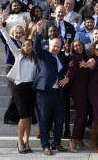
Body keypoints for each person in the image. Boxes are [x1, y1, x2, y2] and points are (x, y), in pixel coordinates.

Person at [0, 20, 37, 154]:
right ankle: (19, 141)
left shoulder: (34, 58)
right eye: (25, 45)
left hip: (31, 89)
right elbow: (9, 41)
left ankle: (27, 141)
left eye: (29, 45)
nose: (27, 47)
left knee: (29, 117)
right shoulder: (18, 54)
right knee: (23, 117)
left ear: (33, 47)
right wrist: (2, 27)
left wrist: (34, 29)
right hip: (20, 89)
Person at [33, 21, 69, 155]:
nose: (56, 49)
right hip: (45, 92)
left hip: (59, 94)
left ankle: (56, 144)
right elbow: (36, 46)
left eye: (58, 47)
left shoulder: (60, 57)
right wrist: (39, 31)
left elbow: (66, 69)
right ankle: (45, 145)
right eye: (54, 46)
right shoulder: (43, 54)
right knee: (44, 120)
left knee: (59, 120)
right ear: (49, 45)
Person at [80, 41, 98, 153]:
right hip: (96, 89)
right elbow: (91, 64)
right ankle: (93, 142)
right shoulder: (93, 59)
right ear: (93, 50)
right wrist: (87, 65)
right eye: (97, 49)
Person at [0, 10, 23, 125]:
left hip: (19, 70)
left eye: (20, 33)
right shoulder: (11, 40)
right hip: (11, 68)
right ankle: (8, 117)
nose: (18, 35)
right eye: (16, 33)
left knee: (18, 94)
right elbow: (2, 36)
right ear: (13, 33)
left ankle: (15, 116)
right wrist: (3, 21)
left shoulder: (21, 44)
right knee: (15, 94)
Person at [65, 40, 90, 153]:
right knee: (81, 114)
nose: (78, 47)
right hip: (77, 90)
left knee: (84, 115)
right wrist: (67, 77)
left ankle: (80, 139)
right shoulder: (74, 58)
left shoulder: (85, 57)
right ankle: (73, 140)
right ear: (73, 48)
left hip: (86, 90)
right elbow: (71, 68)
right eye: (76, 46)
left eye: (80, 45)